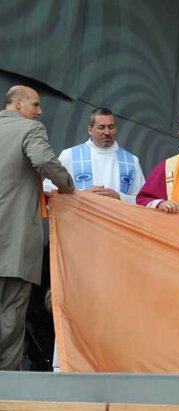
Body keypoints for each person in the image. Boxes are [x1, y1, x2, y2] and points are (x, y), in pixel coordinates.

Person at [0, 85, 74, 370]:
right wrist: (68, 186)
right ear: (18, 104)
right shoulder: (31, 130)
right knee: (11, 313)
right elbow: (43, 160)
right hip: (16, 243)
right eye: (35, 105)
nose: (40, 111)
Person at [44, 107, 145, 203]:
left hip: (118, 219)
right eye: (101, 127)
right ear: (90, 130)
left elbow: (143, 201)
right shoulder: (69, 155)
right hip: (80, 219)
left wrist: (120, 197)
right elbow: (49, 190)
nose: (107, 132)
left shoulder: (131, 161)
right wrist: (82, 195)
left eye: (111, 127)